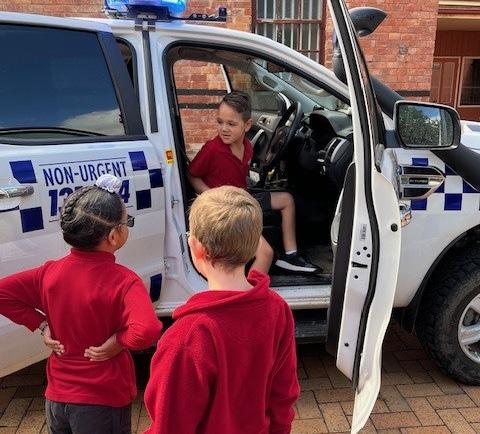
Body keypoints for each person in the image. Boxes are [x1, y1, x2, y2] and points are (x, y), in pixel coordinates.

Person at [0, 174, 162, 434]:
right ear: (113, 236)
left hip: (57, 398)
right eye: (127, 221)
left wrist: (41, 324)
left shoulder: (50, 273)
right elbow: (147, 330)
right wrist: (119, 341)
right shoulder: (125, 281)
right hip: (103, 400)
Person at [143, 186, 300, 434]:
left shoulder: (186, 338)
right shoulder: (277, 308)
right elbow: (283, 392)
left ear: (195, 247)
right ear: (254, 246)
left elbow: (169, 425)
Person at [188, 91, 320, 274]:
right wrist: (212, 195)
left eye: (231, 124)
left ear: (247, 125)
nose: (224, 129)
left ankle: (290, 255)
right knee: (266, 253)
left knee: (287, 200)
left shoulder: (248, 147)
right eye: (220, 122)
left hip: (243, 197)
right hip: (227, 209)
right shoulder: (212, 149)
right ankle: (250, 288)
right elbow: (192, 175)